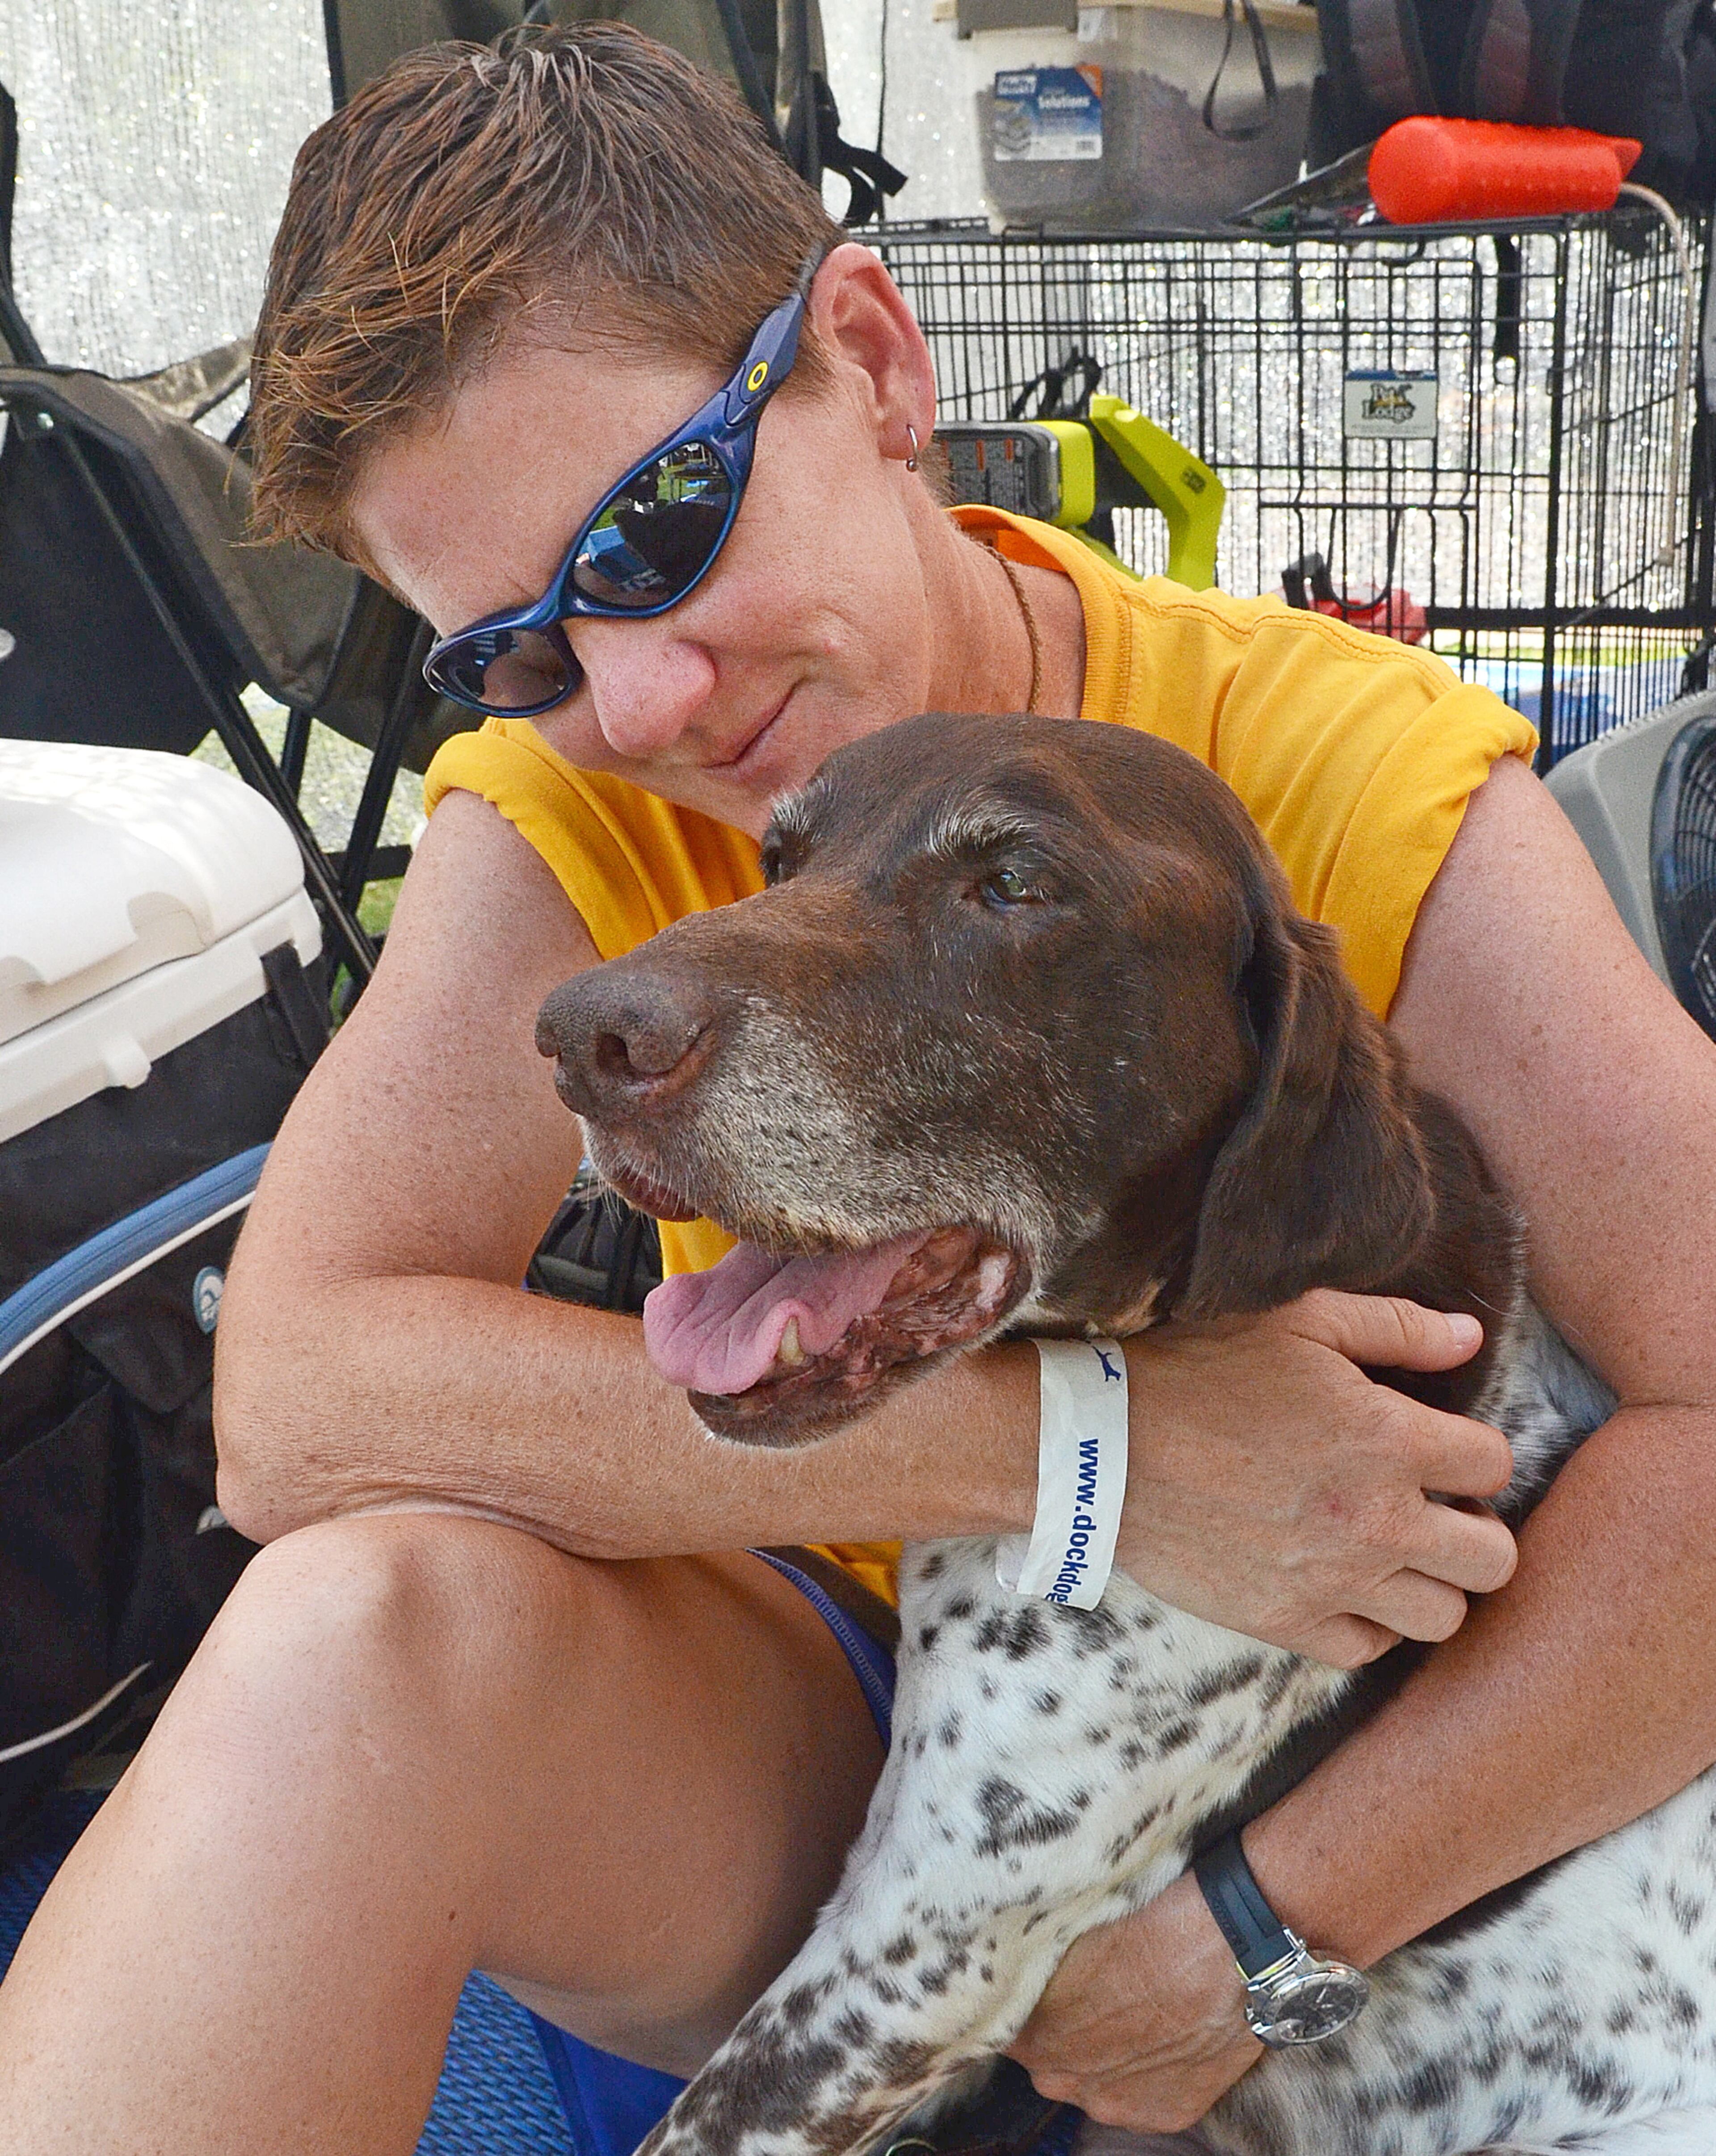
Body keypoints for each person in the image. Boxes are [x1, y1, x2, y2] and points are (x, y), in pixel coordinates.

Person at [4, 24, 1716, 2156]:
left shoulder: (1348, 778)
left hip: (1355, 1775)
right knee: (351, 1626)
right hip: (839, 1706)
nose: (633, 697)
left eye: (661, 524)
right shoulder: (565, 812)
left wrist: (1265, 1926)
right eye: (509, 647)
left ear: (880, 366)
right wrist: (1094, 1454)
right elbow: (296, 1407)